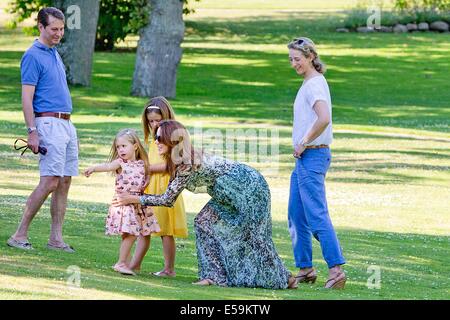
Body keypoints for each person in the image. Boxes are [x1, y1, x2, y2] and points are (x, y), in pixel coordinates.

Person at [113, 120, 298, 289]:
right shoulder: (179, 162)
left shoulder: (186, 163)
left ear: (173, 140)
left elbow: (167, 199)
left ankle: (285, 277)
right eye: (156, 137)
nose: (156, 141)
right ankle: (213, 276)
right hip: (228, 193)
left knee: (254, 236)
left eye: (160, 138)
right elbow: (170, 188)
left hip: (249, 188)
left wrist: (135, 199)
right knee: (203, 221)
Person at [7, 7, 78, 252]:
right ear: (41, 27)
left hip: (67, 124)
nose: (59, 34)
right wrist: (32, 131)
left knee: (64, 181)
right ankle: (19, 234)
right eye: (54, 29)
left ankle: (55, 239)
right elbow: (27, 98)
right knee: (49, 181)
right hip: (48, 123)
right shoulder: (32, 55)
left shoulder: (53, 52)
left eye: (61, 29)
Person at [287, 37, 346, 289]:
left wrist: (303, 141)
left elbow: (324, 118)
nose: (293, 64)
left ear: (311, 57)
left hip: (313, 155)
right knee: (295, 214)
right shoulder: (309, 83)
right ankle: (305, 268)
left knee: (316, 213)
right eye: (290, 59)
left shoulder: (314, 85)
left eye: (297, 59)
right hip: (305, 158)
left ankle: (336, 270)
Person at [84, 129, 160, 275]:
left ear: (135, 146)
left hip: (137, 203)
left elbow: (147, 175)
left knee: (129, 234)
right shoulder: (120, 163)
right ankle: (121, 263)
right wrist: (94, 168)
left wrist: (146, 182)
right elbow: (107, 167)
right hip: (124, 204)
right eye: (118, 147)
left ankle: (124, 262)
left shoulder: (142, 164)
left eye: (124, 146)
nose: (120, 150)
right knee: (131, 234)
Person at [136, 96, 188, 277]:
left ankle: (169, 269)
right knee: (145, 227)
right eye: (150, 121)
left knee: (166, 230)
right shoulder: (154, 141)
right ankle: (134, 264)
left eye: (157, 120)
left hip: (166, 188)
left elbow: (171, 166)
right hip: (152, 188)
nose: (154, 124)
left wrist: (147, 168)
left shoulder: (173, 139)